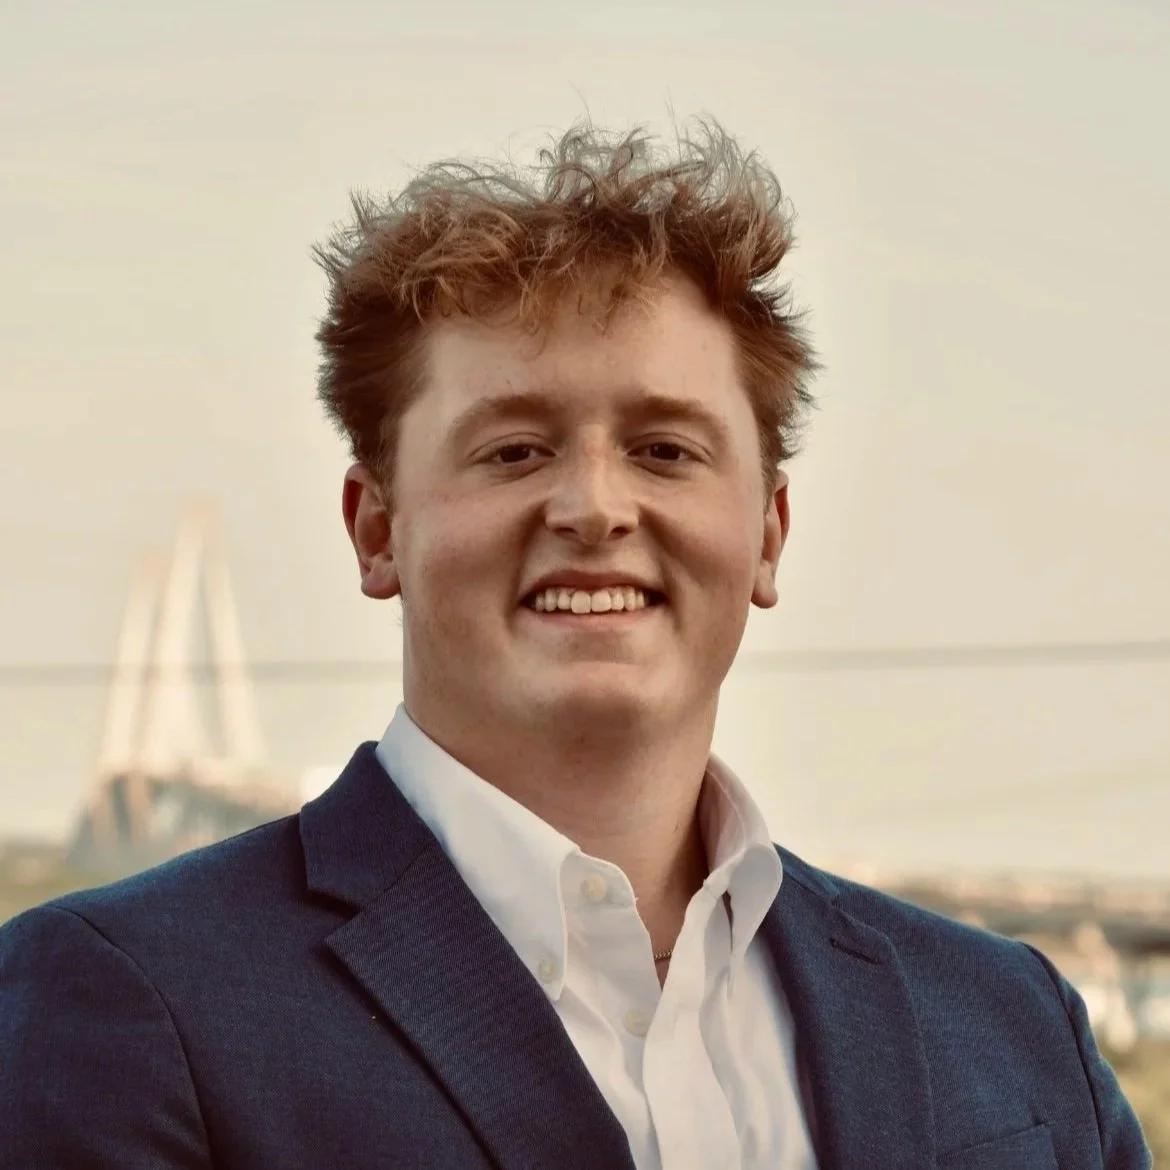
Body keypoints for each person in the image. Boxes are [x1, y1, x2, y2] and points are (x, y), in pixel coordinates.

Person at [0, 118, 1151, 1170]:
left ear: (767, 535)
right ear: (376, 529)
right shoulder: (127, 1004)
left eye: (665, 450)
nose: (595, 508)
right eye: (513, 450)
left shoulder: (1011, 1022)